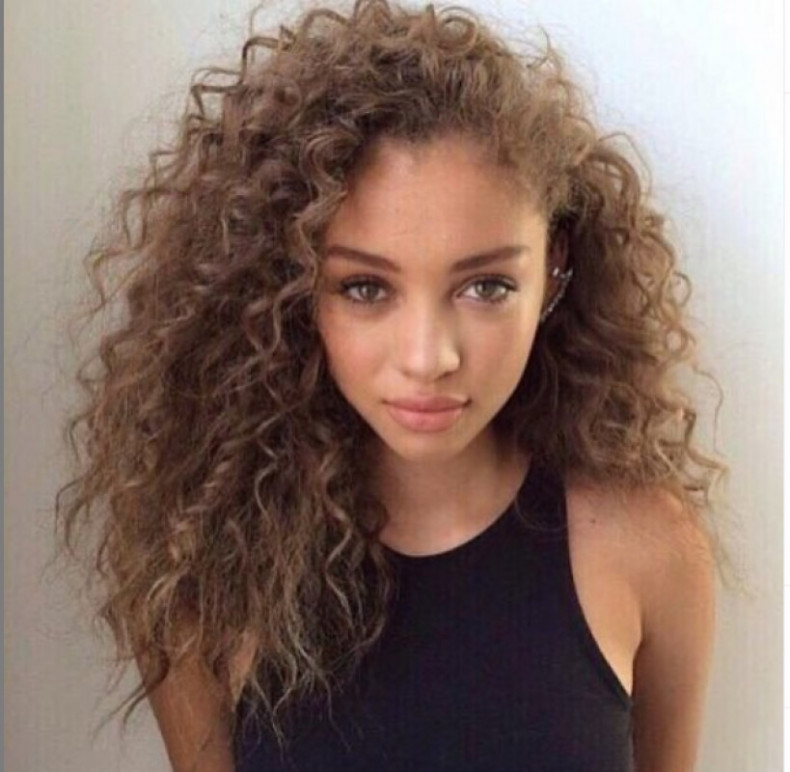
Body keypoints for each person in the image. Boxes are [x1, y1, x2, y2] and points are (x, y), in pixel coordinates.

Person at [54, 0, 731, 770]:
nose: (427, 356)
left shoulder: (647, 548)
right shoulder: (204, 574)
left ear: (553, 270)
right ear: (286, 287)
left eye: (486, 287)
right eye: (365, 289)